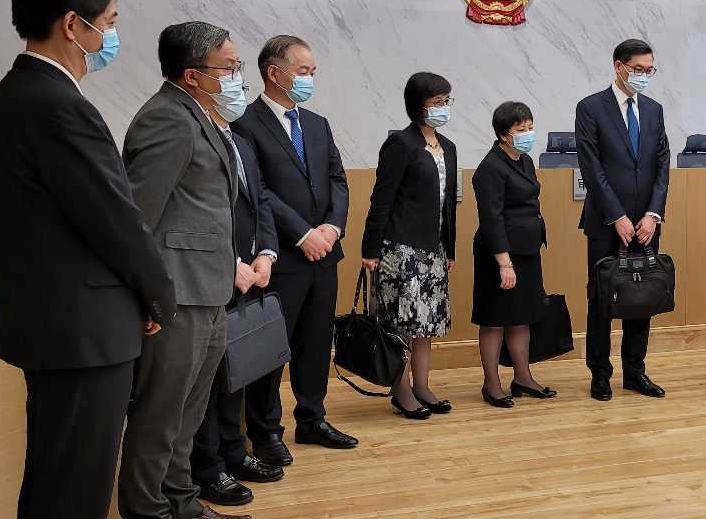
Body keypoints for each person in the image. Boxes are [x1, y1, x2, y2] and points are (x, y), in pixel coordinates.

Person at [0, 0, 172, 519]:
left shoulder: (22, 95)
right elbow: (117, 222)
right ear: (73, 24)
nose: (111, 36)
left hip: (72, 322)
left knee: (73, 484)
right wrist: (158, 296)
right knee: (68, 488)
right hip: (79, 328)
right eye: (110, 24)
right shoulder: (54, 102)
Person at [119, 22, 253, 519]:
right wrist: (148, 296)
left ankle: (180, 501)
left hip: (211, 288)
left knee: (188, 411)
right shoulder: (166, 119)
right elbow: (137, 218)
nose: (236, 77)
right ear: (193, 75)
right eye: (228, 68)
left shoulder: (203, 117)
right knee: (159, 411)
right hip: (175, 293)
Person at [232, 36, 355, 456]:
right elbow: (258, 190)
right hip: (280, 256)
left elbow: (338, 179)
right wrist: (303, 234)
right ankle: (265, 431)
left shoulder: (317, 123)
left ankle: (312, 418)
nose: (309, 79)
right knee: (270, 347)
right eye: (303, 72)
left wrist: (332, 228)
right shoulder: (245, 123)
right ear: (275, 73)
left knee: (317, 341)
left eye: (312, 73)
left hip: (326, 252)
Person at [189, 92, 285, 506]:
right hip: (210, 275)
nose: (236, 87)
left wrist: (266, 252)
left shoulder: (240, 140)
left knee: (236, 371)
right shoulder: (194, 136)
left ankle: (234, 451)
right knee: (207, 381)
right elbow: (189, 215)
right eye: (227, 72)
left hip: (250, 272)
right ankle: (206, 466)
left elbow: (260, 200)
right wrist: (229, 264)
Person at [575, 38, 671, 401]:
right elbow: (592, 167)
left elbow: (662, 163)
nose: (644, 76)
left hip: (646, 223)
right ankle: (600, 373)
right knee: (602, 298)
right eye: (638, 70)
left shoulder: (654, 109)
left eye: (649, 71)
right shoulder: (590, 108)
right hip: (605, 222)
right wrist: (616, 215)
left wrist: (652, 214)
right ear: (619, 66)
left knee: (641, 295)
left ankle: (635, 371)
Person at [360, 72, 458, 419]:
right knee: (399, 325)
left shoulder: (448, 147)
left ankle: (422, 386)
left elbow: (448, 205)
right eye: (436, 102)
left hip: (434, 250)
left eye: (447, 101)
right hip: (399, 249)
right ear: (418, 105)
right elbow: (381, 200)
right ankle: (401, 392)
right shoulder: (400, 144)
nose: (443, 108)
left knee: (425, 324)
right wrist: (370, 249)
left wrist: (450, 249)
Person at [472, 101, 555, 407]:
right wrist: (504, 264)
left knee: (522, 316)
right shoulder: (490, 167)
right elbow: (491, 220)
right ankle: (491, 384)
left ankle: (522, 377)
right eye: (521, 130)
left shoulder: (524, 160)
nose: (528, 134)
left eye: (530, 128)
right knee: (495, 319)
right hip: (500, 253)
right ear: (503, 135)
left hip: (527, 250)